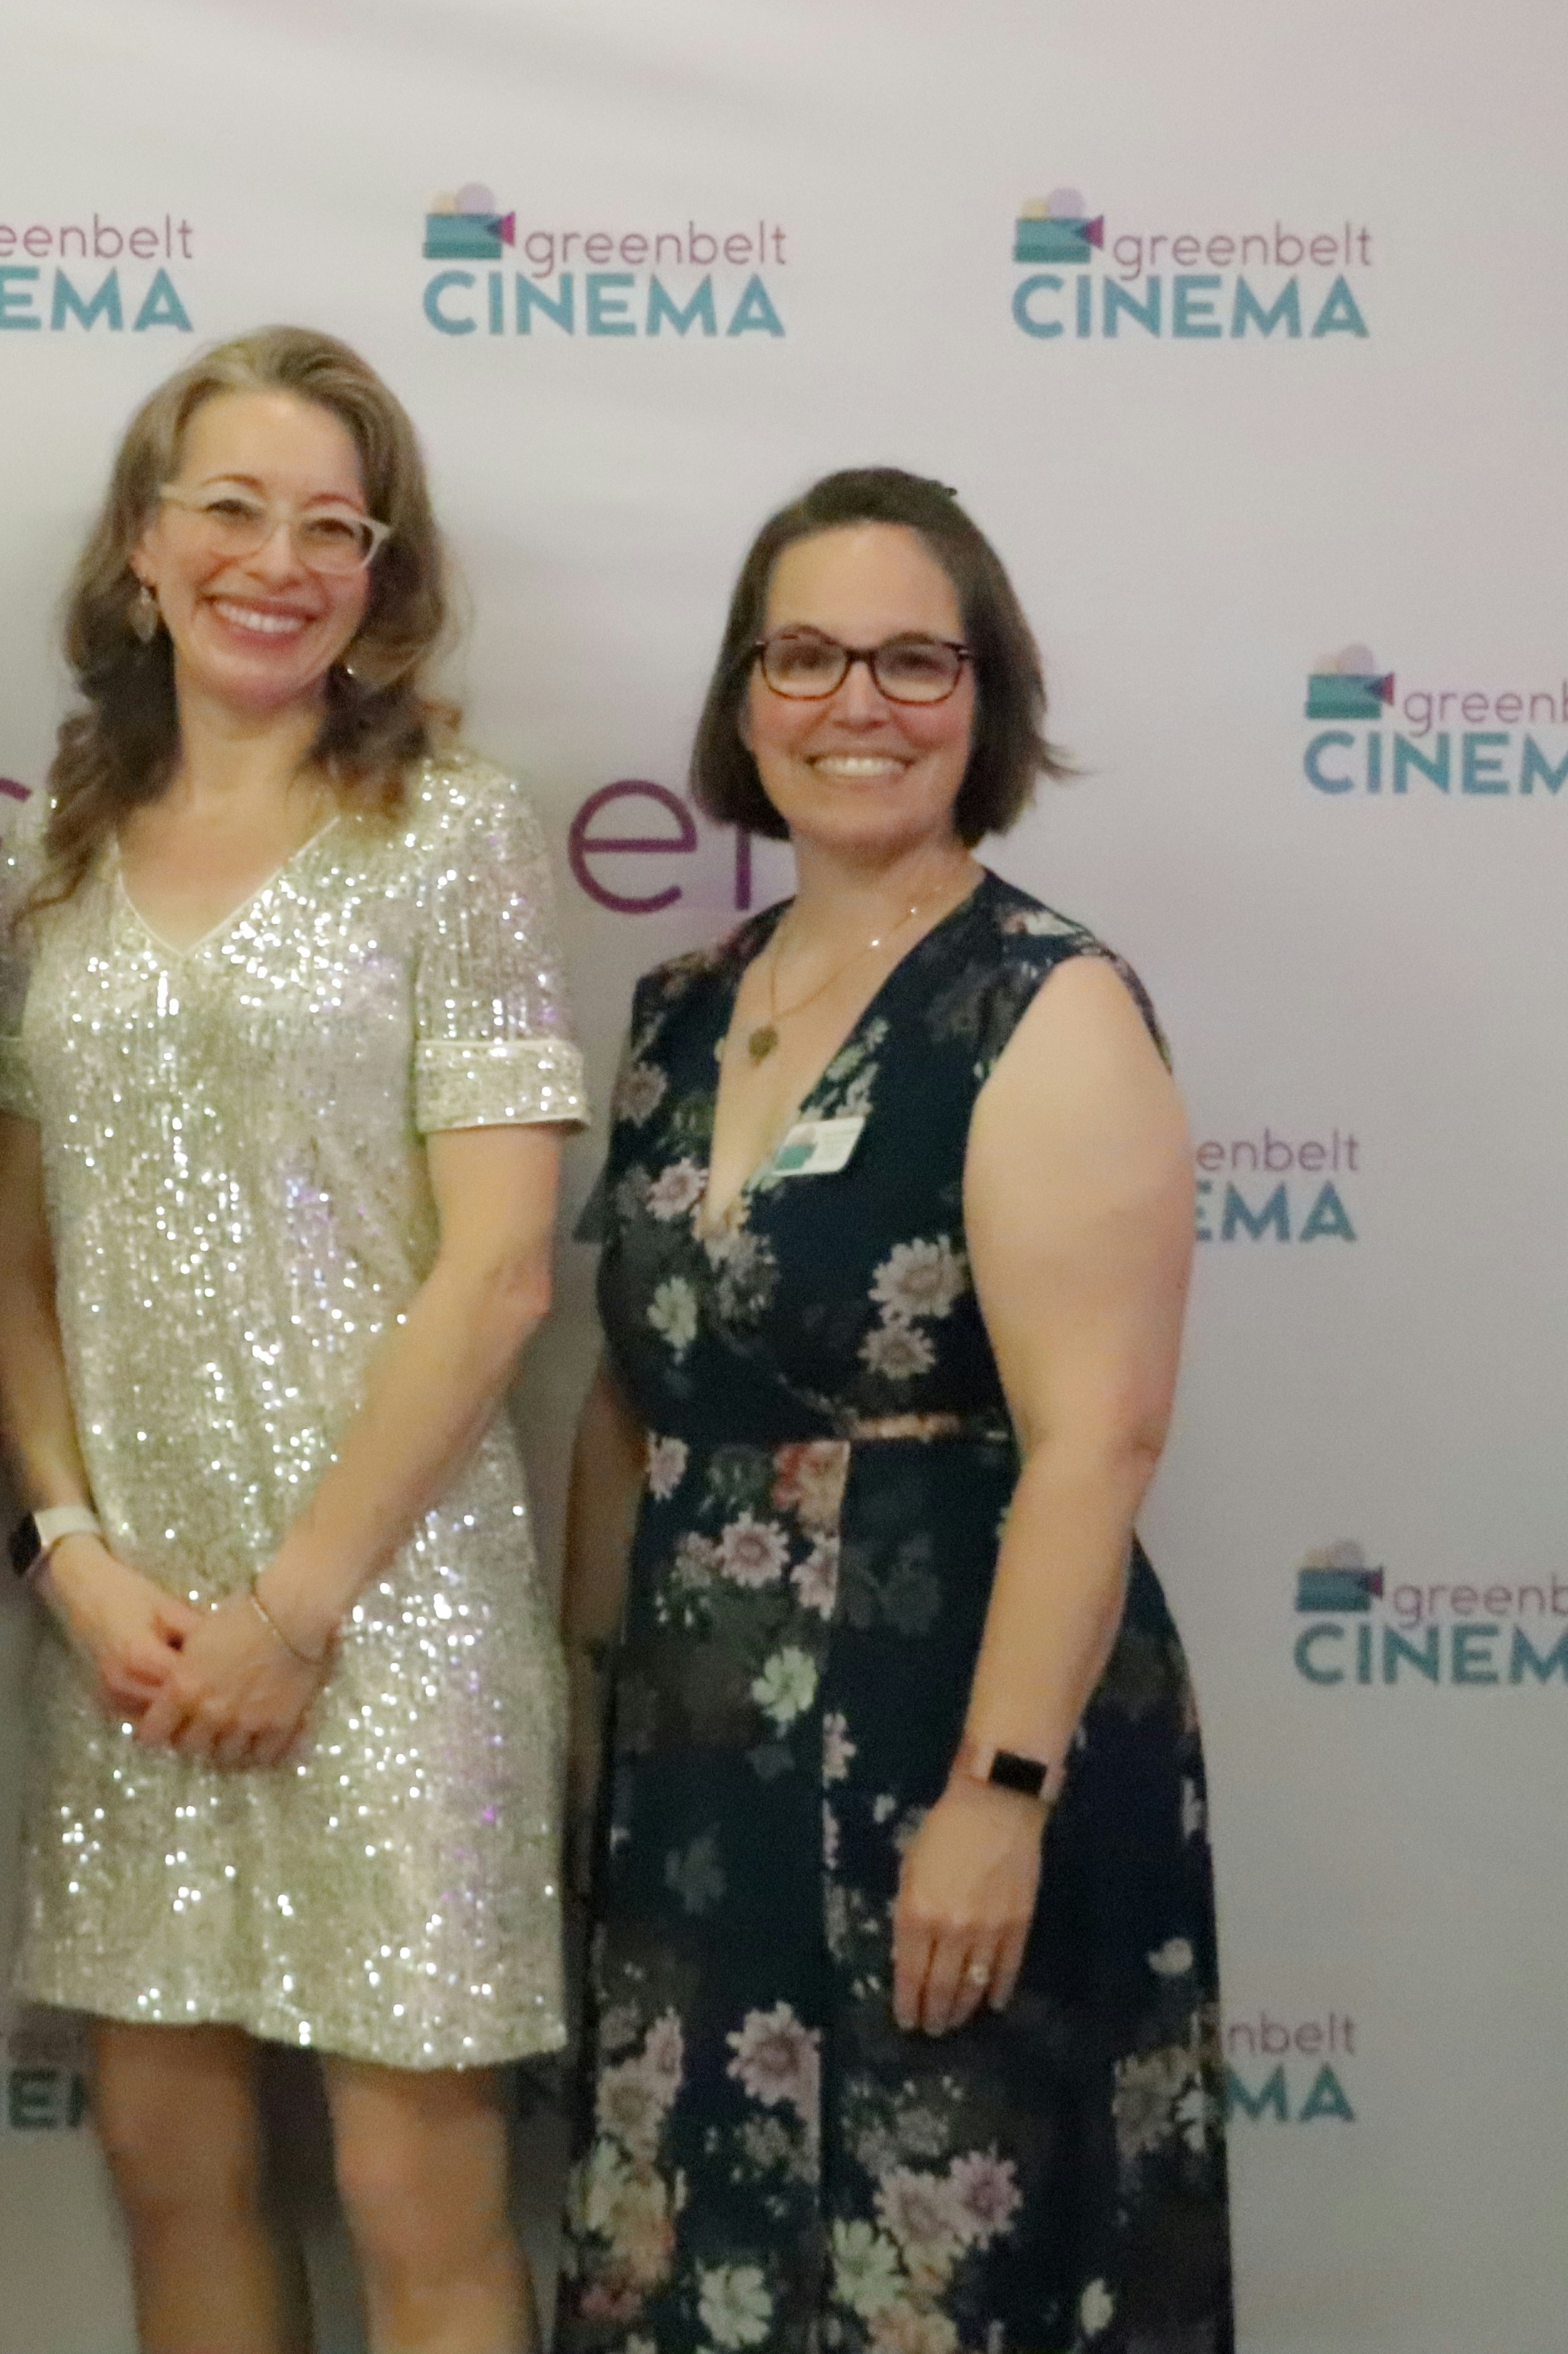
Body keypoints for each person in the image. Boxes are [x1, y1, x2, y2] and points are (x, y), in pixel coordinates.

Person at [552, 467, 1230, 2353]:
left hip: (948, 1729)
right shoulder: (682, 1008)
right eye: (807, 656)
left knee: (936, 2279)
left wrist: (1000, 1798)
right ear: (745, 698)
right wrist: (586, 1714)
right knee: (692, 2263)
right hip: (703, 1766)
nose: (858, 703)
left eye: (914, 660)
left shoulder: (1045, 1004)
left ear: (984, 696)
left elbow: (1099, 1441)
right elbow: (633, 1389)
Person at [0, 324, 591, 2354]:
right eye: (232, 508)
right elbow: (7, 1264)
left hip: (385, 1611)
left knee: (419, 2199)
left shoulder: (456, 831)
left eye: (335, 525)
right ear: (142, 548)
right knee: (172, 2173)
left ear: (382, 577)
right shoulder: (54, 851)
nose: (280, 560)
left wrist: (299, 1608)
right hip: (135, 1632)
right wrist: (73, 1558)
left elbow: (502, 1270)